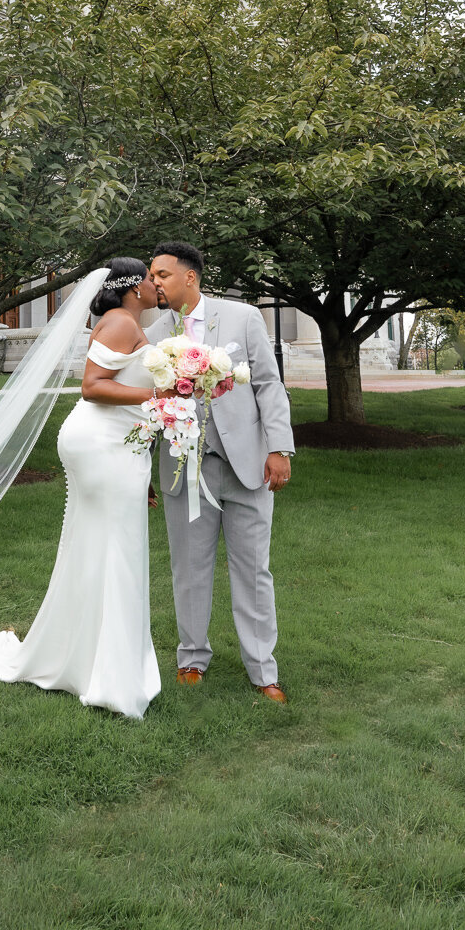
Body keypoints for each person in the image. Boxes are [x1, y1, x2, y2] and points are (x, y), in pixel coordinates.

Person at [0, 258, 163, 719]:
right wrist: (160, 396)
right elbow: (92, 385)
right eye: (148, 277)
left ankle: (90, 661)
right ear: (131, 287)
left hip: (116, 446)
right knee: (117, 548)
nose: (154, 284)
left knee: (103, 547)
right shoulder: (121, 322)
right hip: (100, 444)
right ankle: (109, 677)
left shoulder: (121, 320)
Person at [148, 242, 295, 702]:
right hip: (184, 468)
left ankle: (262, 669)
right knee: (189, 568)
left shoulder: (243, 317)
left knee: (253, 570)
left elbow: (269, 384)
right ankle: (192, 657)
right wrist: (140, 476)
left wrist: (280, 448)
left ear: (189, 277)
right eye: (151, 276)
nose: (154, 283)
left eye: (162, 275)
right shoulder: (152, 337)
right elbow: (145, 409)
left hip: (248, 463)